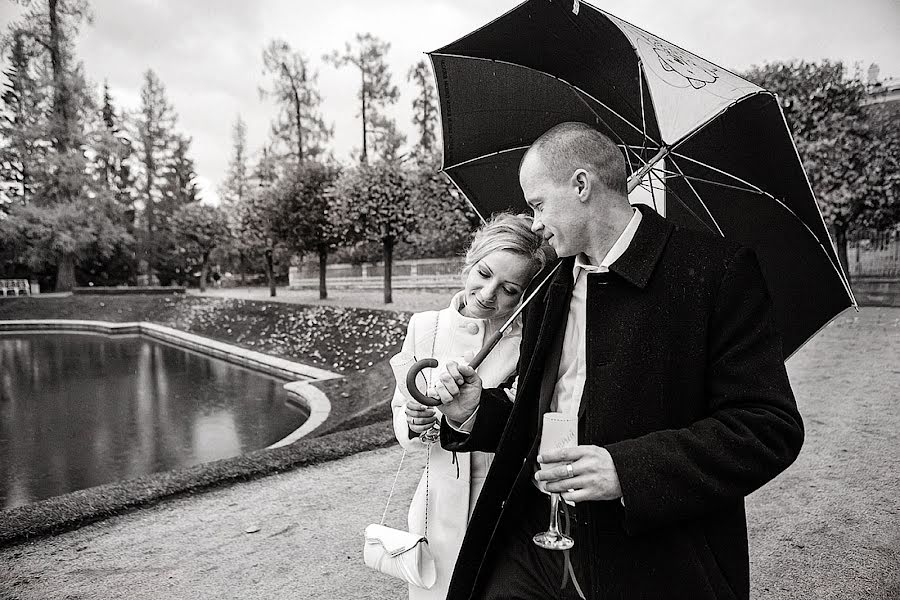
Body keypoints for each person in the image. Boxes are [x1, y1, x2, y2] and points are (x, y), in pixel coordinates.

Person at [433, 122, 804, 599]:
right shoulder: (550, 285)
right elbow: (536, 420)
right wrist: (473, 410)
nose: (535, 223)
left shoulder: (717, 272)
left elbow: (767, 428)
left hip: (650, 561)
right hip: (531, 544)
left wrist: (627, 470)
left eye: (538, 204)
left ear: (582, 185)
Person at [390, 213, 554, 600]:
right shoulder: (425, 326)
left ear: (525, 294)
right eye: (483, 273)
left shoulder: (525, 344)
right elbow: (402, 415)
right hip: (434, 506)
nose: (488, 293)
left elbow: (518, 425)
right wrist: (412, 421)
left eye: (509, 289)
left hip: (496, 507)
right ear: (471, 259)